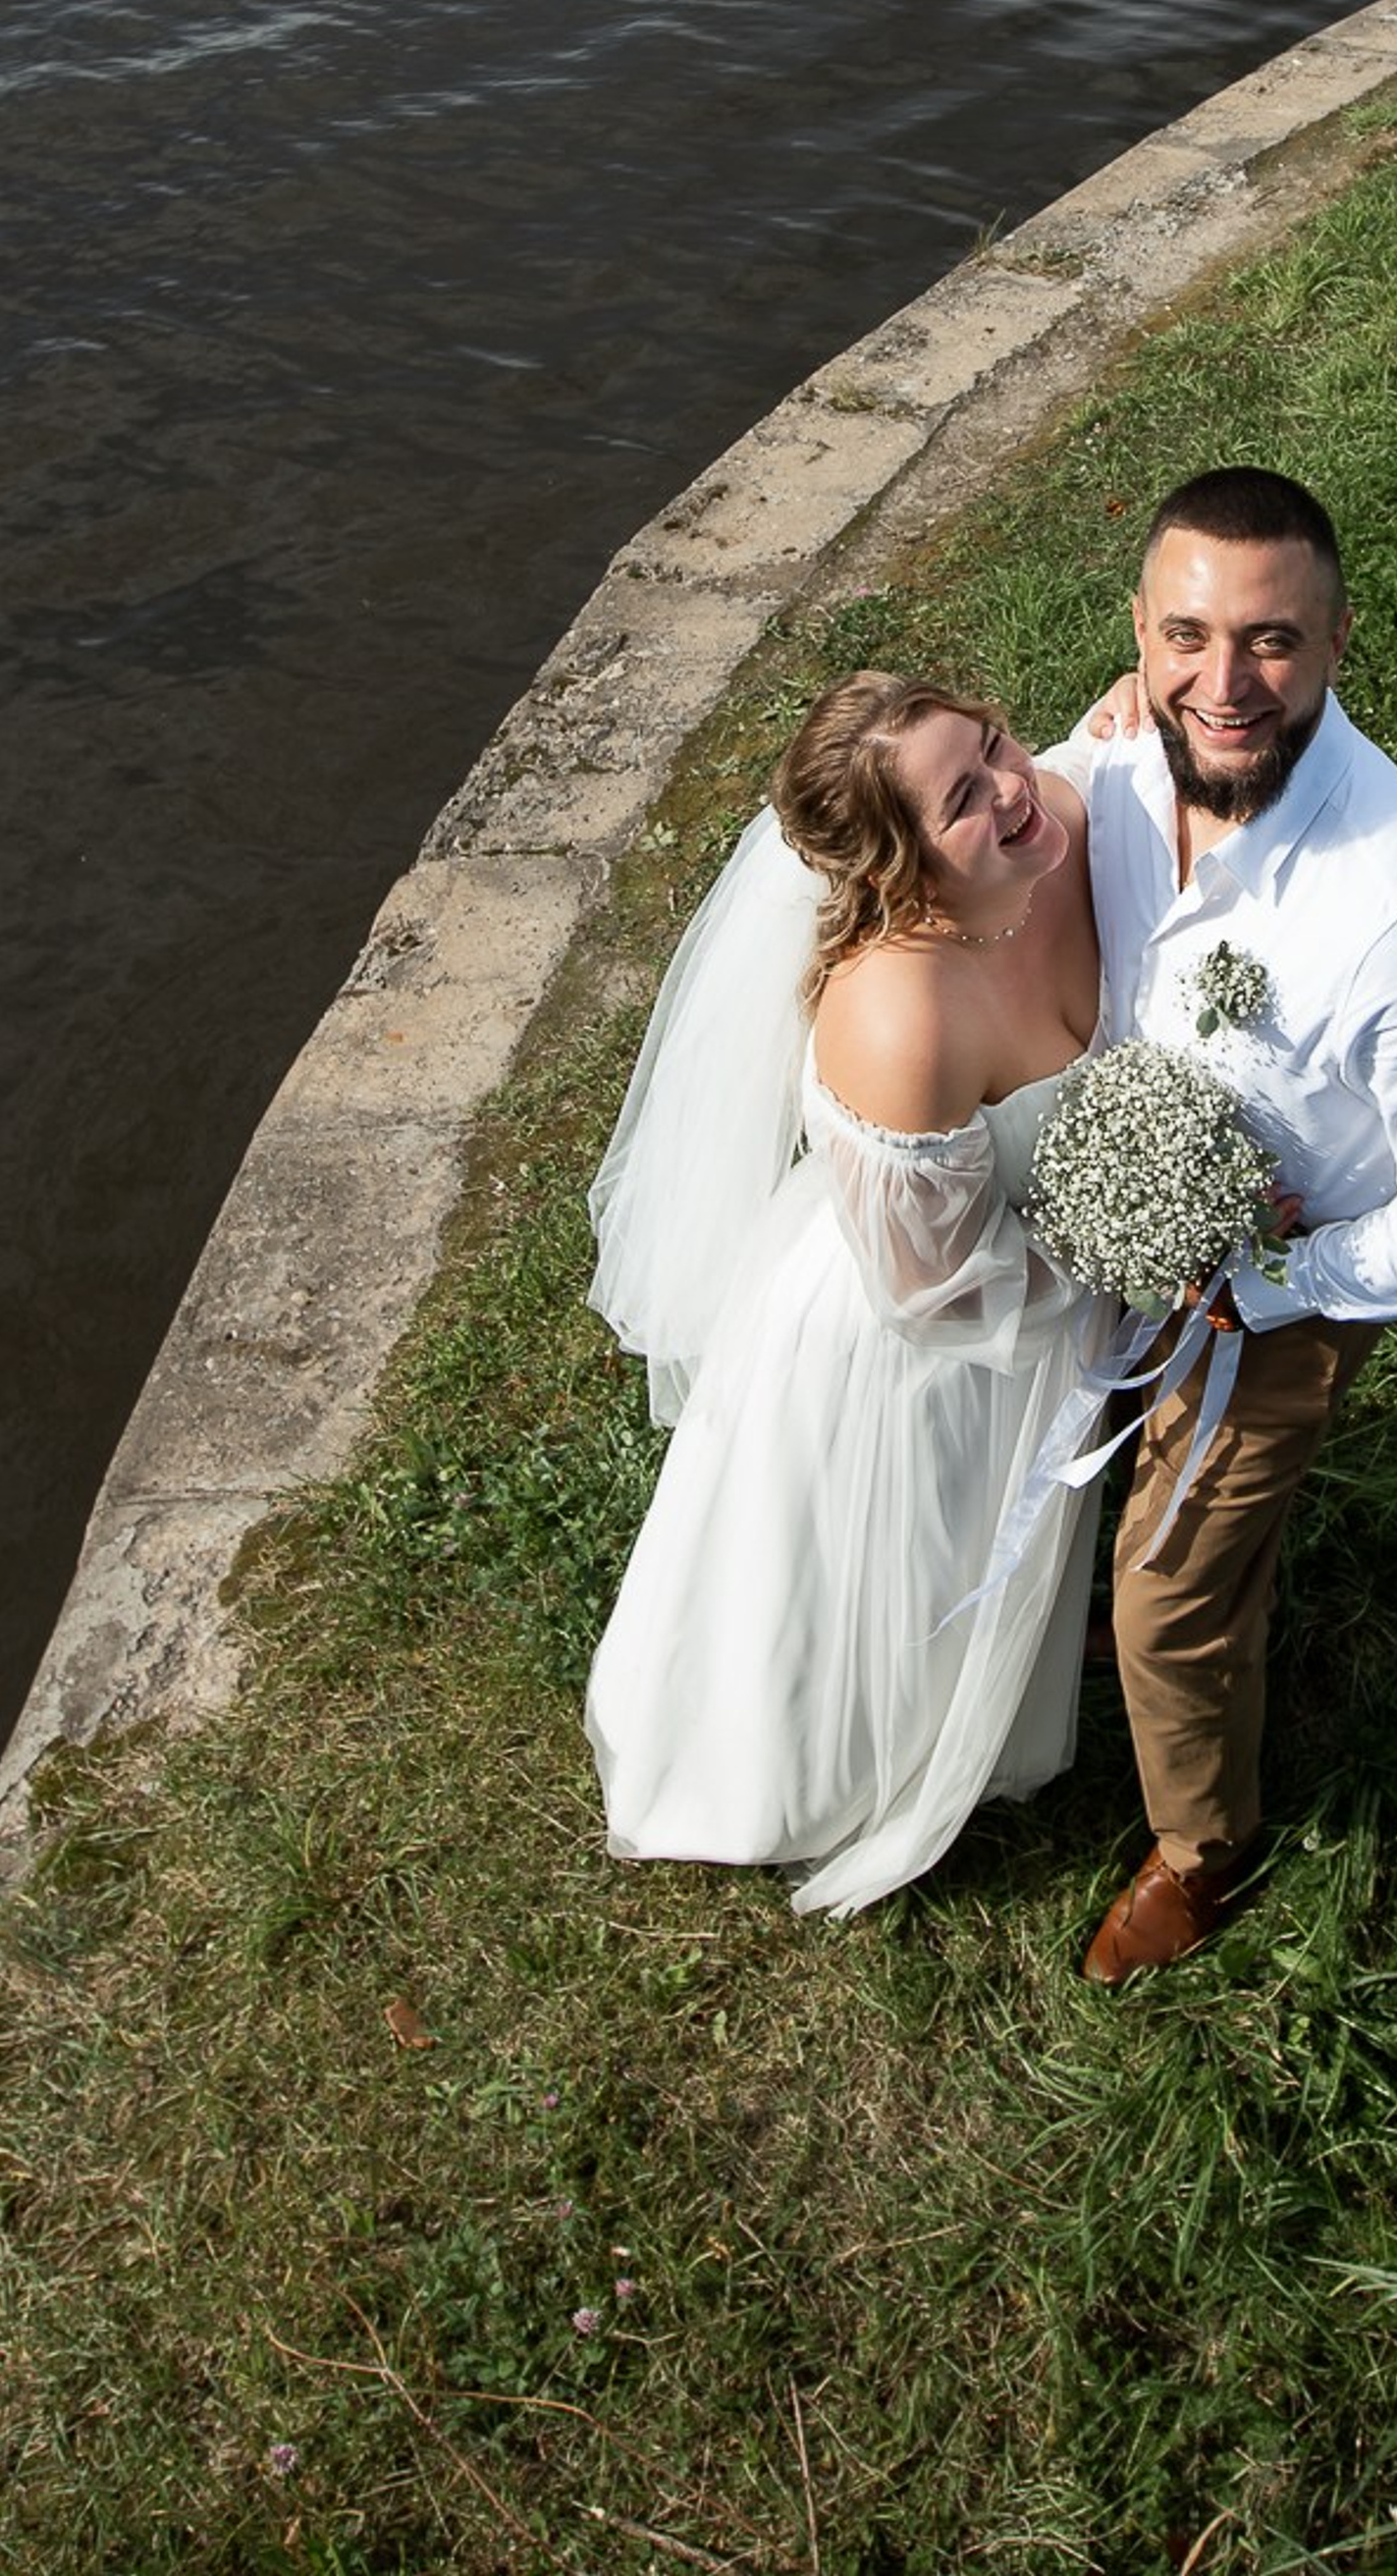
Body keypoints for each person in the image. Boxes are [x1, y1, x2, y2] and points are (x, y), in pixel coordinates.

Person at [1056, 468, 1397, 1982]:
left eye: (1270, 641)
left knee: (1167, 1597)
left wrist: (1276, 1283)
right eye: (1188, 637)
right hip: (1125, 1231)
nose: (1225, 685)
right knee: (1101, 1485)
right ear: (1139, 632)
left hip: (1285, 1287)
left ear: (1336, 641)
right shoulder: (1122, 757)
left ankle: (1204, 1850)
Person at [582, 671, 1105, 1913]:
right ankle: (796, 1778)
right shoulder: (898, 1020)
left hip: (1013, 1286)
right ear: (899, 872)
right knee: (881, 1584)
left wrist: (1126, 704)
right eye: (962, 799)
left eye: (993, 741)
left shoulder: (1052, 818)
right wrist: (1129, 1255)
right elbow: (938, 1293)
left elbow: (1089, 758)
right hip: (912, 1347)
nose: (1013, 789)